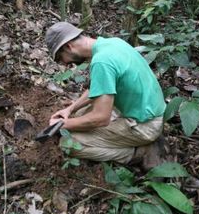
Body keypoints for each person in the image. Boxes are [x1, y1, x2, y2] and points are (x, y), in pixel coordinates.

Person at [45, 22, 166, 170]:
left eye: (60, 58)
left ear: (68, 46)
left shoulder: (101, 62)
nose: (64, 63)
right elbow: (99, 88)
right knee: (77, 115)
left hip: (145, 126)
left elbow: (101, 118)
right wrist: (69, 110)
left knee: (69, 143)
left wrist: (61, 126)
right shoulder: (112, 43)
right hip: (147, 111)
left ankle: (139, 152)